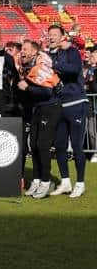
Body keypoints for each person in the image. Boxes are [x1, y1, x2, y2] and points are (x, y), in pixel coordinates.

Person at [47, 25, 88, 197]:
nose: (51, 37)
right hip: (59, 104)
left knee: (77, 145)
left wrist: (54, 64)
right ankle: (65, 182)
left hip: (76, 102)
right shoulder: (51, 54)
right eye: (49, 35)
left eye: (55, 34)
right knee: (60, 145)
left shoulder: (71, 51)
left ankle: (80, 183)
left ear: (63, 36)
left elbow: (74, 69)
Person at [18, 40, 62, 199]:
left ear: (34, 52)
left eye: (25, 49)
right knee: (34, 145)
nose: (21, 52)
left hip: (50, 108)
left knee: (43, 145)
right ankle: (36, 180)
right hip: (38, 109)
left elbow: (47, 91)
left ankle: (46, 181)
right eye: (21, 49)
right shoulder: (28, 65)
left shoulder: (40, 66)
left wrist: (27, 87)